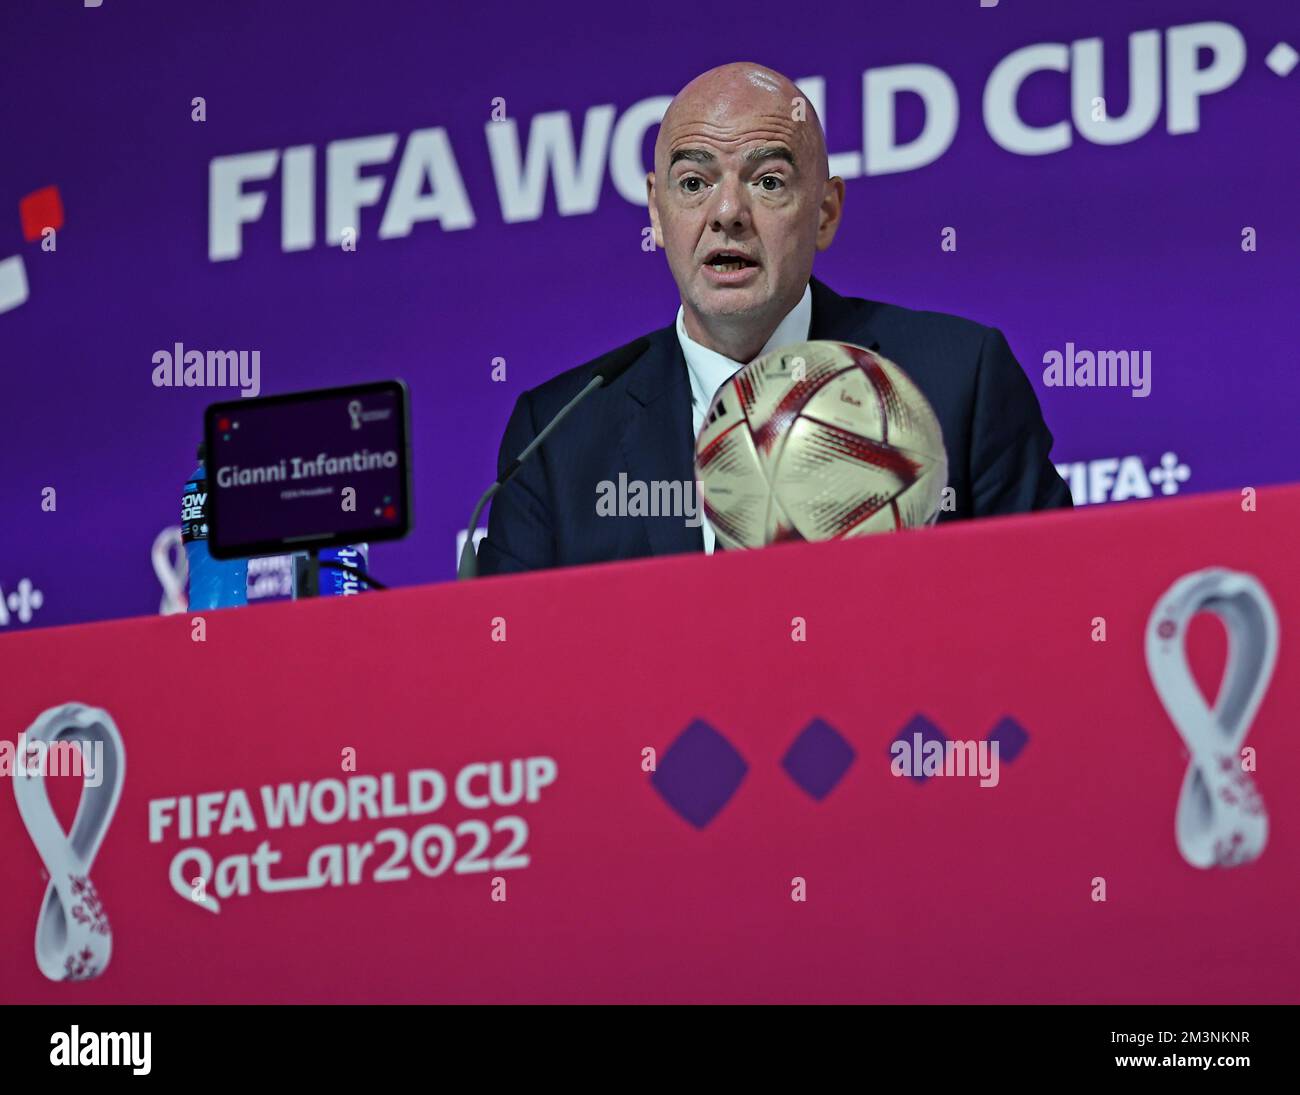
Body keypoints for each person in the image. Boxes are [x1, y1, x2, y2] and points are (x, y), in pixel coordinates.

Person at [477, 62, 1071, 575]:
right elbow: (508, 672)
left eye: (767, 181)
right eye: (693, 183)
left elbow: (1049, 608)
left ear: (826, 213)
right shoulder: (557, 437)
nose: (728, 212)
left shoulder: (957, 381)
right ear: (656, 214)